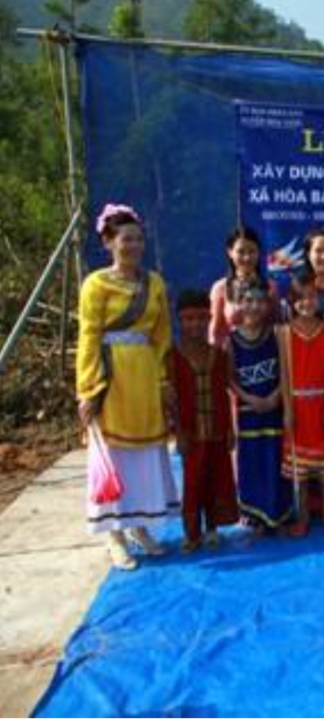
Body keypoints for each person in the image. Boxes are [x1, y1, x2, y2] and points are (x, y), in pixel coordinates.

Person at [77, 203, 178, 570]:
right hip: (111, 376)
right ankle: (113, 535)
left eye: (138, 239)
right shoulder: (96, 284)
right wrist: (88, 387)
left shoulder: (154, 283)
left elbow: (163, 334)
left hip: (145, 374)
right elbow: (88, 336)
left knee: (144, 457)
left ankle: (139, 526)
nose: (133, 245)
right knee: (114, 456)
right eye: (125, 239)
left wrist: (164, 379)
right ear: (108, 242)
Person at [170, 289, 239, 553]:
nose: (195, 325)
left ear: (210, 319)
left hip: (218, 432)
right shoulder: (173, 357)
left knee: (216, 479)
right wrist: (178, 433)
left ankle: (212, 528)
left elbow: (225, 394)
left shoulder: (219, 356)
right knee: (193, 482)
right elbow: (173, 400)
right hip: (192, 434)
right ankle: (191, 534)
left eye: (201, 319)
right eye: (189, 320)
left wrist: (231, 430)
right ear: (180, 321)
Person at [279, 271, 324, 536]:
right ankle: (302, 517)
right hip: (297, 407)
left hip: (321, 405)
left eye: (311, 297)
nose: (306, 303)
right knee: (300, 472)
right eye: (300, 298)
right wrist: (287, 409)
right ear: (291, 301)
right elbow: (284, 373)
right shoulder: (282, 332)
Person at [229, 278, 293, 533]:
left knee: (276, 459)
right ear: (238, 304)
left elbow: (286, 371)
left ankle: (280, 511)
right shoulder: (231, 341)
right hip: (249, 411)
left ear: (268, 304)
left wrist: (276, 396)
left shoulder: (277, 334)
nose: (254, 306)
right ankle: (255, 513)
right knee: (252, 461)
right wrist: (249, 398)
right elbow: (230, 379)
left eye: (260, 301)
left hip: (274, 407)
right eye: (248, 300)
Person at [209, 225, 279, 347]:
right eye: (241, 252)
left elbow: (277, 326)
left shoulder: (270, 286)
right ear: (230, 252)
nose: (247, 257)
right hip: (233, 359)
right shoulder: (220, 288)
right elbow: (215, 332)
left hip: (266, 356)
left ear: (259, 253)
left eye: (252, 251)